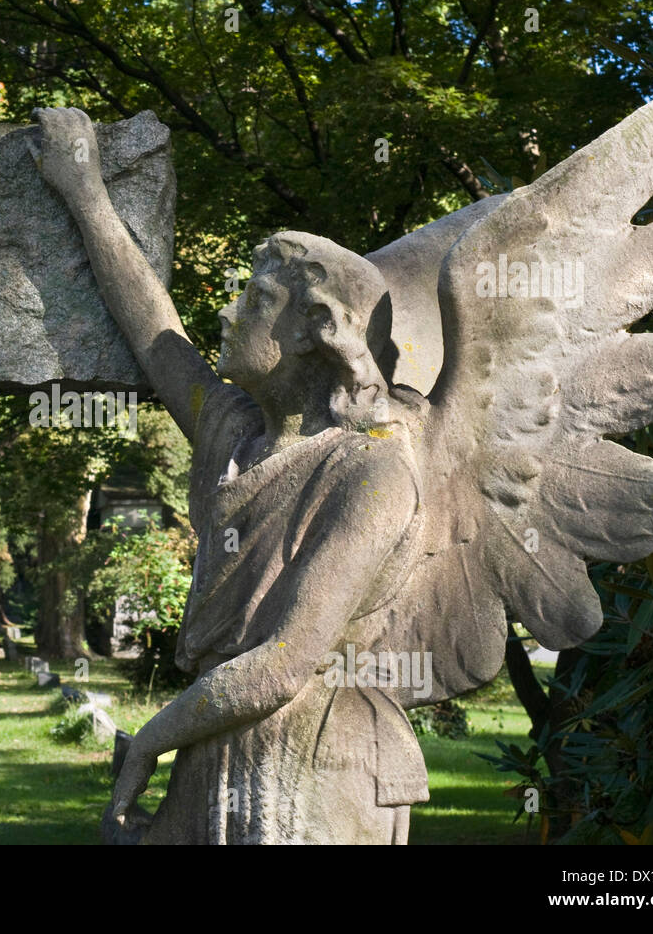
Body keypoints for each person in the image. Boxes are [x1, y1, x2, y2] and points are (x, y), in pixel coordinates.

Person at [30, 108, 427, 843]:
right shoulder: (235, 434)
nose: (225, 311)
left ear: (315, 327)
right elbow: (157, 334)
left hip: (321, 763)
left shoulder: (374, 470)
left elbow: (282, 664)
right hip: (218, 742)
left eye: (252, 298)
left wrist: (151, 737)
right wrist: (85, 193)